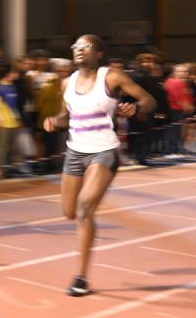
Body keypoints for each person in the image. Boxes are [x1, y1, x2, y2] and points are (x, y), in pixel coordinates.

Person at [44, 34, 155, 297]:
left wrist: (136, 109)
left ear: (99, 53)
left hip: (103, 152)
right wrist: (55, 121)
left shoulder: (112, 77)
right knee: (69, 212)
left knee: (84, 209)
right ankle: (86, 228)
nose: (79, 49)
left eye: (86, 46)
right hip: (74, 152)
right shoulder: (67, 82)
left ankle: (81, 278)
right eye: (76, 46)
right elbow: (66, 115)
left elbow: (149, 101)